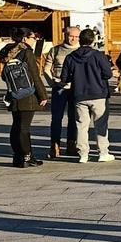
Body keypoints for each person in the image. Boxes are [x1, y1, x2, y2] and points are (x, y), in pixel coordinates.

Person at [62, 28, 117, 163]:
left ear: (79, 40)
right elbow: (108, 74)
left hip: (79, 94)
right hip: (98, 93)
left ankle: (83, 154)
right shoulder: (98, 55)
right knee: (100, 124)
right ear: (93, 40)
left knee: (81, 125)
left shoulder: (70, 57)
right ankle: (103, 152)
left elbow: (64, 78)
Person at [0, 27, 49, 167]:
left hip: (14, 93)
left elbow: (4, 75)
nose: (35, 40)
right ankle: (27, 157)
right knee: (24, 128)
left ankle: (18, 157)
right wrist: (42, 95)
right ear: (25, 38)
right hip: (28, 94)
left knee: (16, 126)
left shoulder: (8, 52)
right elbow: (34, 75)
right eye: (33, 37)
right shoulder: (26, 52)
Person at [43, 24, 80, 159]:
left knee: (74, 118)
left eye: (76, 37)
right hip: (59, 88)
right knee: (56, 118)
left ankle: (71, 145)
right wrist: (52, 82)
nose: (73, 39)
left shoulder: (81, 50)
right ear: (65, 35)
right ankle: (55, 146)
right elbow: (46, 68)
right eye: (71, 36)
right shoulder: (55, 50)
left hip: (76, 88)